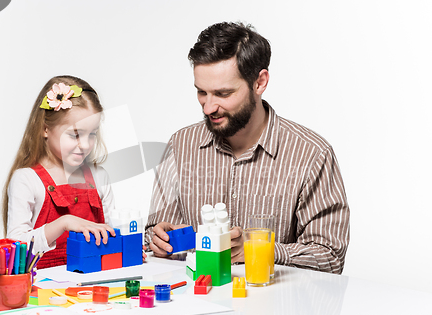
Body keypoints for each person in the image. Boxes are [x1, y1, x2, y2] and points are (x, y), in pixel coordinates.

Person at [146, 22, 350, 274]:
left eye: (223, 93)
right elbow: (152, 236)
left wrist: (258, 249)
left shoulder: (312, 154)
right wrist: (157, 239)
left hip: (274, 308)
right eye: (202, 92)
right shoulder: (180, 145)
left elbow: (330, 257)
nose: (208, 107)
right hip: (197, 305)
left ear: (260, 82)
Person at [2, 75, 115, 269]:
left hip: (93, 287)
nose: (85, 145)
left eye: (92, 134)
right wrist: (64, 223)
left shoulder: (99, 176)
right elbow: (15, 249)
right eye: (75, 135)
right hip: (45, 292)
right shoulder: (27, 179)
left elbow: (111, 232)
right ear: (46, 129)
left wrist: (125, 246)